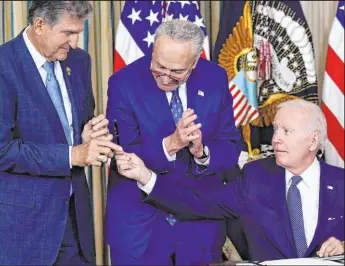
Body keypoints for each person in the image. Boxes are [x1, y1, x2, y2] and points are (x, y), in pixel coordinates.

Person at [115, 99, 345, 262]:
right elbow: (196, 202)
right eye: (275, 130)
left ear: (313, 141)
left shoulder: (341, 182)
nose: (275, 139)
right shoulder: (256, 177)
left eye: (286, 131)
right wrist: (146, 176)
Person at [0, 1, 122, 265]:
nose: (75, 42)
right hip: (23, 229)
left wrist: (88, 135)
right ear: (39, 25)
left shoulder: (79, 61)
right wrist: (72, 154)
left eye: (79, 32)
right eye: (68, 33)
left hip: (75, 222)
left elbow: (79, 124)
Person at [105, 19, 241, 265]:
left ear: (194, 62)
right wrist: (171, 144)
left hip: (198, 229)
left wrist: (203, 153)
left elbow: (231, 146)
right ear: (154, 51)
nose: (165, 78)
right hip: (142, 229)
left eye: (177, 72)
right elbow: (122, 155)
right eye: (159, 67)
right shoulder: (123, 83)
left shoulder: (215, 78)